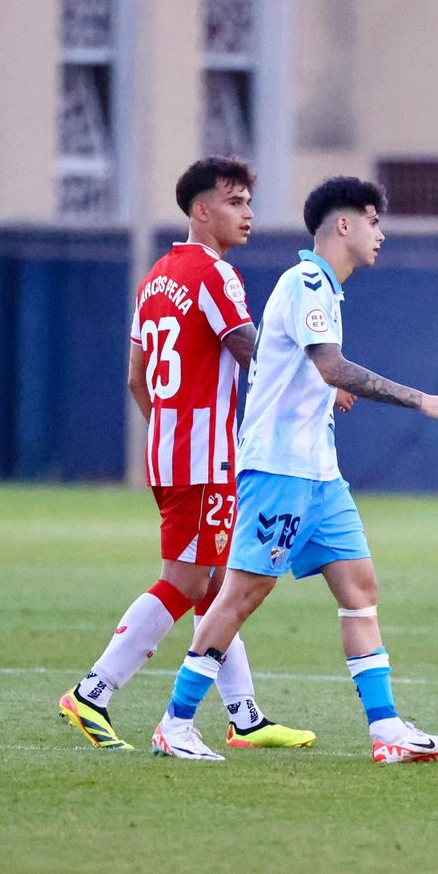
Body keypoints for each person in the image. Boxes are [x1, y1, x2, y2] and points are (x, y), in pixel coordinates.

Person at [151, 176, 438, 763]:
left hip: (320, 473)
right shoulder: (305, 282)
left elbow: (314, 372)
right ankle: (174, 723)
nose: (382, 233)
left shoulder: (326, 288)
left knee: (359, 587)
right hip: (279, 469)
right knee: (242, 593)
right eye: (374, 220)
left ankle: (387, 731)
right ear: (344, 226)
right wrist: (422, 400)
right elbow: (330, 367)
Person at [58, 158, 322, 751]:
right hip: (204, 458)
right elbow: (248, 347)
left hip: (171, 451)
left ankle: (245, 715)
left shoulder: (154, 278)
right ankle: (92, 692)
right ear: (201, 210)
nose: (248, 212)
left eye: (249, 201)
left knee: (215, 584)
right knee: (185, 581)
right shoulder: (216, 276)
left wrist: (168, 429)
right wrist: (314, 382)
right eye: (234, 201)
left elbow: (135, 376)